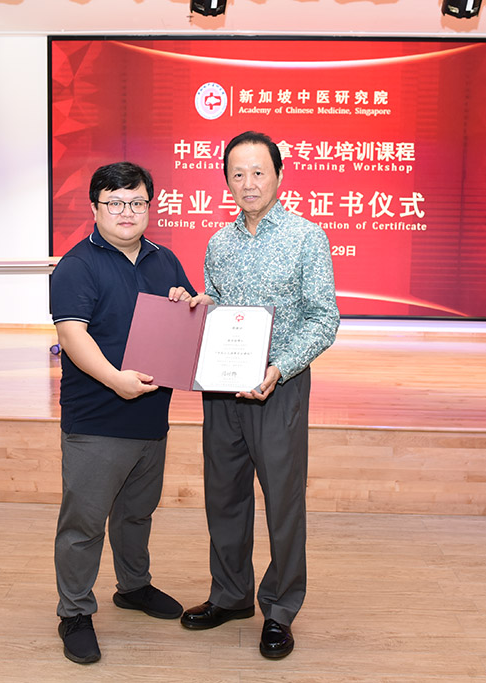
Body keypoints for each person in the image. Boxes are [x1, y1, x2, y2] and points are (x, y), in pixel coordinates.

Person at [176, 131, 340, 659]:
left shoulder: (306, 237)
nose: (248, 183)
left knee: (283, 503)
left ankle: (280, 609)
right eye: (238, 174)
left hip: (278, 388)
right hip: (222, 391)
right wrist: (198, 306)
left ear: (279, 175)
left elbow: (324, 317)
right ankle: (230, 596)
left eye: (258, 172)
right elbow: (219, 306)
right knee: (223, 495)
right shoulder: (218, 244)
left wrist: (280, 367)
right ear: (226, 180)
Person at [50, 161, 196, 664]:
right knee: (84, 523)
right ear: (95, 208)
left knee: (136, 513)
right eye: (115, 202)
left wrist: (189, 301)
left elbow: (187, 316)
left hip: (151, 416)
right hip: (98, 419)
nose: (127, 212)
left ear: (150, 206)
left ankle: (133, 586)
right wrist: (116, 380)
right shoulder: (77, 266)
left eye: (136, 202)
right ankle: (74, 612)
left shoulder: (164, 259)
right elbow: (73, 336)